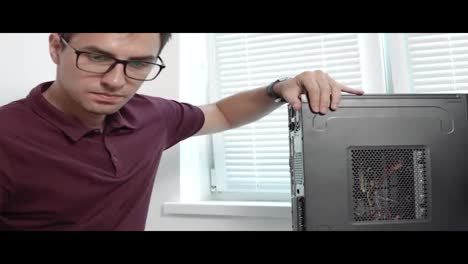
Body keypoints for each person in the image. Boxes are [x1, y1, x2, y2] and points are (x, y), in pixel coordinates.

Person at [0, 33, 364, 230]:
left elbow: (221, 113)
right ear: (55, 46)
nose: (114, 81)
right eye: (96, 57)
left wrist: (279, 87)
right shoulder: (7, 137)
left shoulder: (151, 115)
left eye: (138, 64)